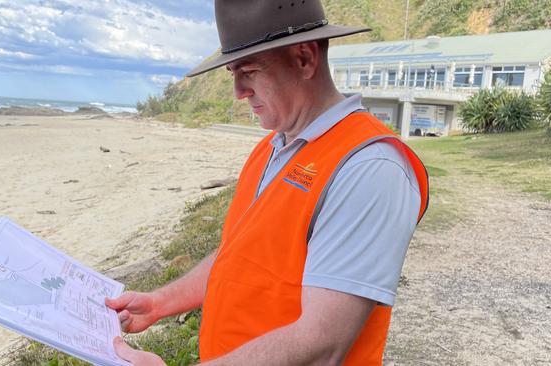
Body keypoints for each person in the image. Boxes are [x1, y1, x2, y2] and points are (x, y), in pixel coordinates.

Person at [105, 0, 429, 364]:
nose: (238, 91)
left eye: (250, 71)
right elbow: (240, 255)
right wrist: (160, 303)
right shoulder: (271, 148)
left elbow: (323, 342)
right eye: (233, 73)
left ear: (305, 58)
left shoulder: (369, 167)